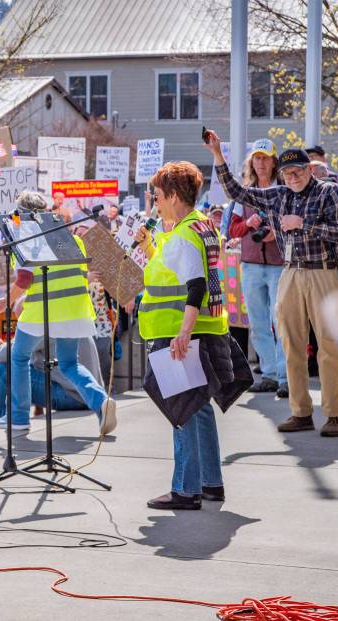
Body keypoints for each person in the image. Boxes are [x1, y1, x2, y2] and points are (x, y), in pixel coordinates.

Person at [206, 130, 338, 437]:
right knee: (290, 342)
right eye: (287, 173)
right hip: (291, 271)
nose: (293, 177)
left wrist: (303, 224)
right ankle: (301, 412)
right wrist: (218, 156)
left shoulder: (328, 192)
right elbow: (237, 192)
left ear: (310, 169)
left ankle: (335, 413)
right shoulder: (279, 195)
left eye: (298, 171)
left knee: (328, 345)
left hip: (324, 270)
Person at [136, 160, 252, 510]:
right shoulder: (200, 226)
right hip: (206, 329)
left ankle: (186, 489)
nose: (155, 201)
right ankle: (210, 483)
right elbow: (182, 268)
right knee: (198, 409)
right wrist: (150, 249)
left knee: (182, 410)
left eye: (157, 195)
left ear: (173, 195)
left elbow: (195, 284)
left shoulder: (186, 234)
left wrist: (183, 333)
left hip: (182, 333)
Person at [0, 191, 116, 434]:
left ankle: (18, 417)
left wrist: (3, 303)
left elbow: (25, 278)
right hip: (76, 312)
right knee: (69, 364)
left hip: (42, 313)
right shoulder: (69, 236)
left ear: (21, 214)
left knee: (18, 357)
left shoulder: (26, 237)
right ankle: (101, 401)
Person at [225, 139, 287, 396]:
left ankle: (285, 377)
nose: (261, 163)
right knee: (259, 322)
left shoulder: (284, 191)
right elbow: (232, 230)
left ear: (274, 162)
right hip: (250, 265)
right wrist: (250, 224)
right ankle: (269, 374)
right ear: (252, 162)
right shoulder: (245, 193)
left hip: (278, 264)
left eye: (266, 158)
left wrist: (277, 231)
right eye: (257, 158)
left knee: (280, 321)